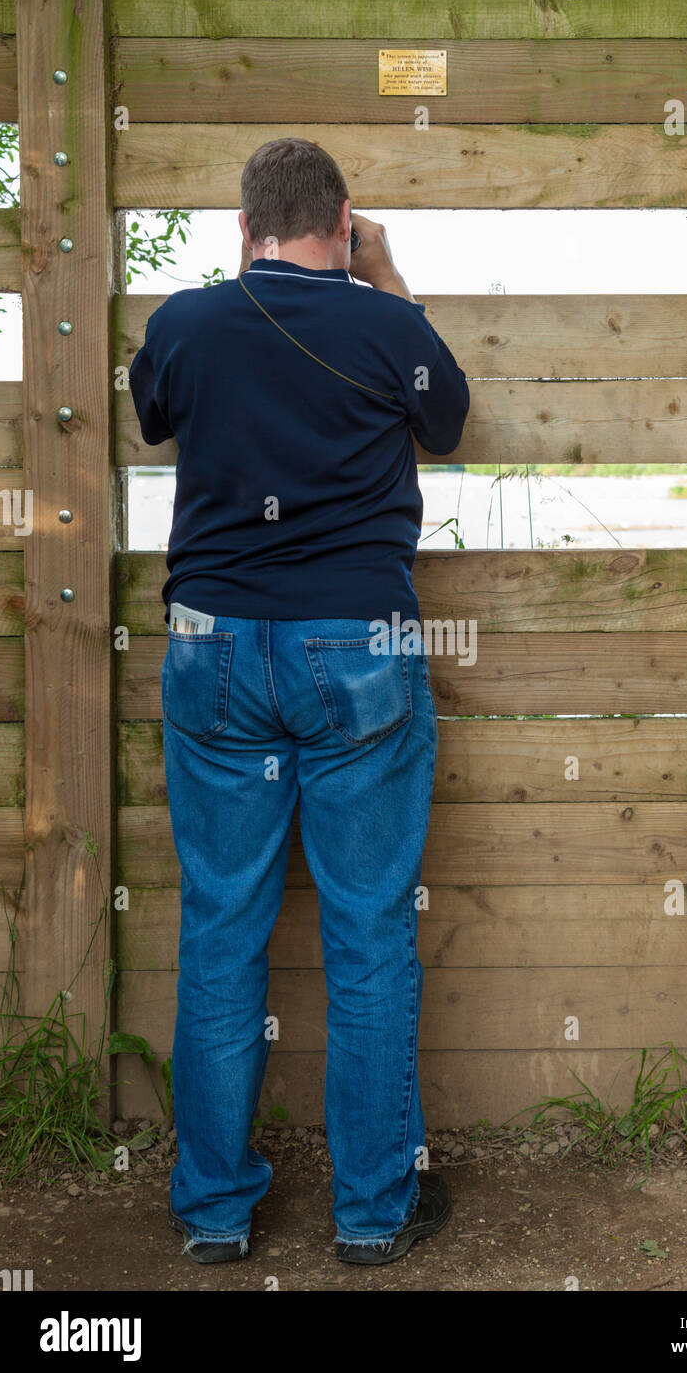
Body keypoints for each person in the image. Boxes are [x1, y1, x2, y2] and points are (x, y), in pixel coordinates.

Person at [129, 137, 470, 1266]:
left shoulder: (184, 323)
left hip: (211, 647)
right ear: (345, 223)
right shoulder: (385, 325)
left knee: (221, 928)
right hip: (354, 650)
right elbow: (448, 416)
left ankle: (215, 1210)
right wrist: (387, 283)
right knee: (368, 933)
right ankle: (374, 1212)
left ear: (243, 228)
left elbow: (156, 413)